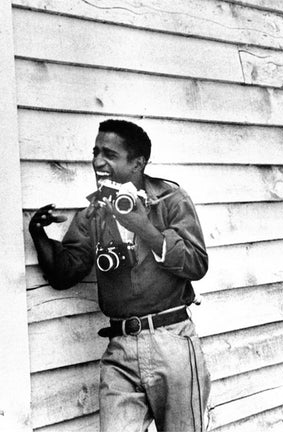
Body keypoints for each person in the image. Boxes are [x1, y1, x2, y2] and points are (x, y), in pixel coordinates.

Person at [29, 119, 211, 432]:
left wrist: (143, 227)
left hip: (172, 342)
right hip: (120, 349)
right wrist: (38, 234)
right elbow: (65, 272)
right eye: (95, 152)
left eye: (110, 154)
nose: (98, 161)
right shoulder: (94, 211)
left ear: (138, 163)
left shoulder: (170, 201)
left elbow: (196, 263)